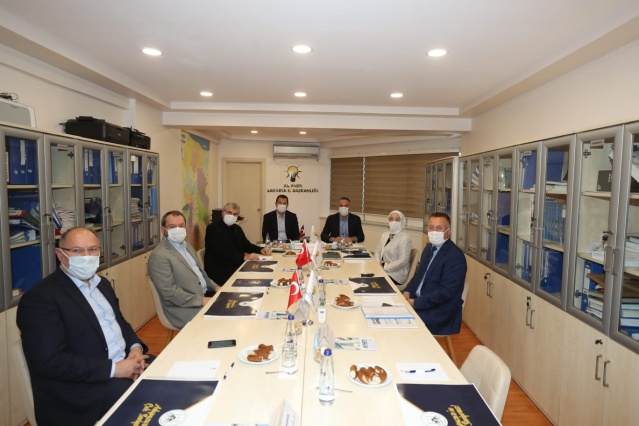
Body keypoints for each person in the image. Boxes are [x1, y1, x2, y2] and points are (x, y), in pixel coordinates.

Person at [16, 227, 151, 426]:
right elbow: (51, 362)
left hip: (123, 365)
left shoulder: (102, 284)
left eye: (92, 249)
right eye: (77, 251)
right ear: (60, 254)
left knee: (171, 372)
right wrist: (115, 369)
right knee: (148, 404)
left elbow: (120, 323)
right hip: (80, 390)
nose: (86, 256)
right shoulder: (40, 298)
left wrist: (135, 349)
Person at [148, 210, 218, 329]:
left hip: (203, 295)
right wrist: (202, 300)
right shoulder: (159, 256)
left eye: (181, 226)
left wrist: (216, 287)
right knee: (226, 319)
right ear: (163, 230)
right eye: (172, 227)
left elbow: (201, 274)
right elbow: (170, 293)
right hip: (183, 308)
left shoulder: (186, 246)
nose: (178, 230)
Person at [403, 212, 467, 335]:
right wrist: (407, 291)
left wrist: (415, 303)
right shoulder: (428, 248)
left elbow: (445, 292)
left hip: (439, 312)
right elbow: (418, 276)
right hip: (420, 302)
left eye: (439, 228)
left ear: (448, 231)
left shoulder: (455, 256)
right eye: (431, 228)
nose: (434, 232)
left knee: (398, 322)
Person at [205, 202, 272, 285]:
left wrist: (260, 250)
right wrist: (243, 257)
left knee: (262, 273)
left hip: (235, 264)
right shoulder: (213, 228)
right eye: (229, 213)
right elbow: (221, 251)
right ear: (223, 212)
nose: (232, 216)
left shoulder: (237, 228)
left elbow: (246, 245)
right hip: (220, 269)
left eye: (235, 214)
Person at [374, 210, 413, 285]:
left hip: (396, 274)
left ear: (402, 221)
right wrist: (378, 265)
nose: (394, 222)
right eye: (391, 219)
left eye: (397, 219)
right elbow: (377, 252)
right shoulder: (385, 235)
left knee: (372, 282)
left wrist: (385, 268)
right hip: (382, 268)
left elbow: (403, 261)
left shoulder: (405, 238)